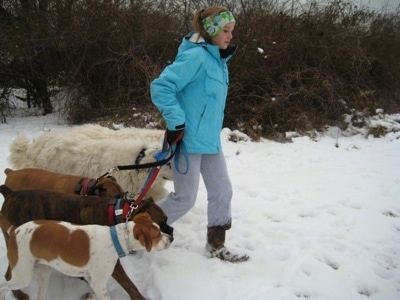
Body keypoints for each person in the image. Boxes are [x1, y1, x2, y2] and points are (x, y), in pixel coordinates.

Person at [150, 6, 249, 263]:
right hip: (187, 141)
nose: (230, 36)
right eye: (225, 30)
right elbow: (161, 87)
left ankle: (216, 245)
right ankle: (139, 229)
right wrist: (176, 122)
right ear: (212, 31)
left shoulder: (219, 62)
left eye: (232, 31)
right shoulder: (195, 58)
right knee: (184, 199)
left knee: (222, 192)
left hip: (210, 142)